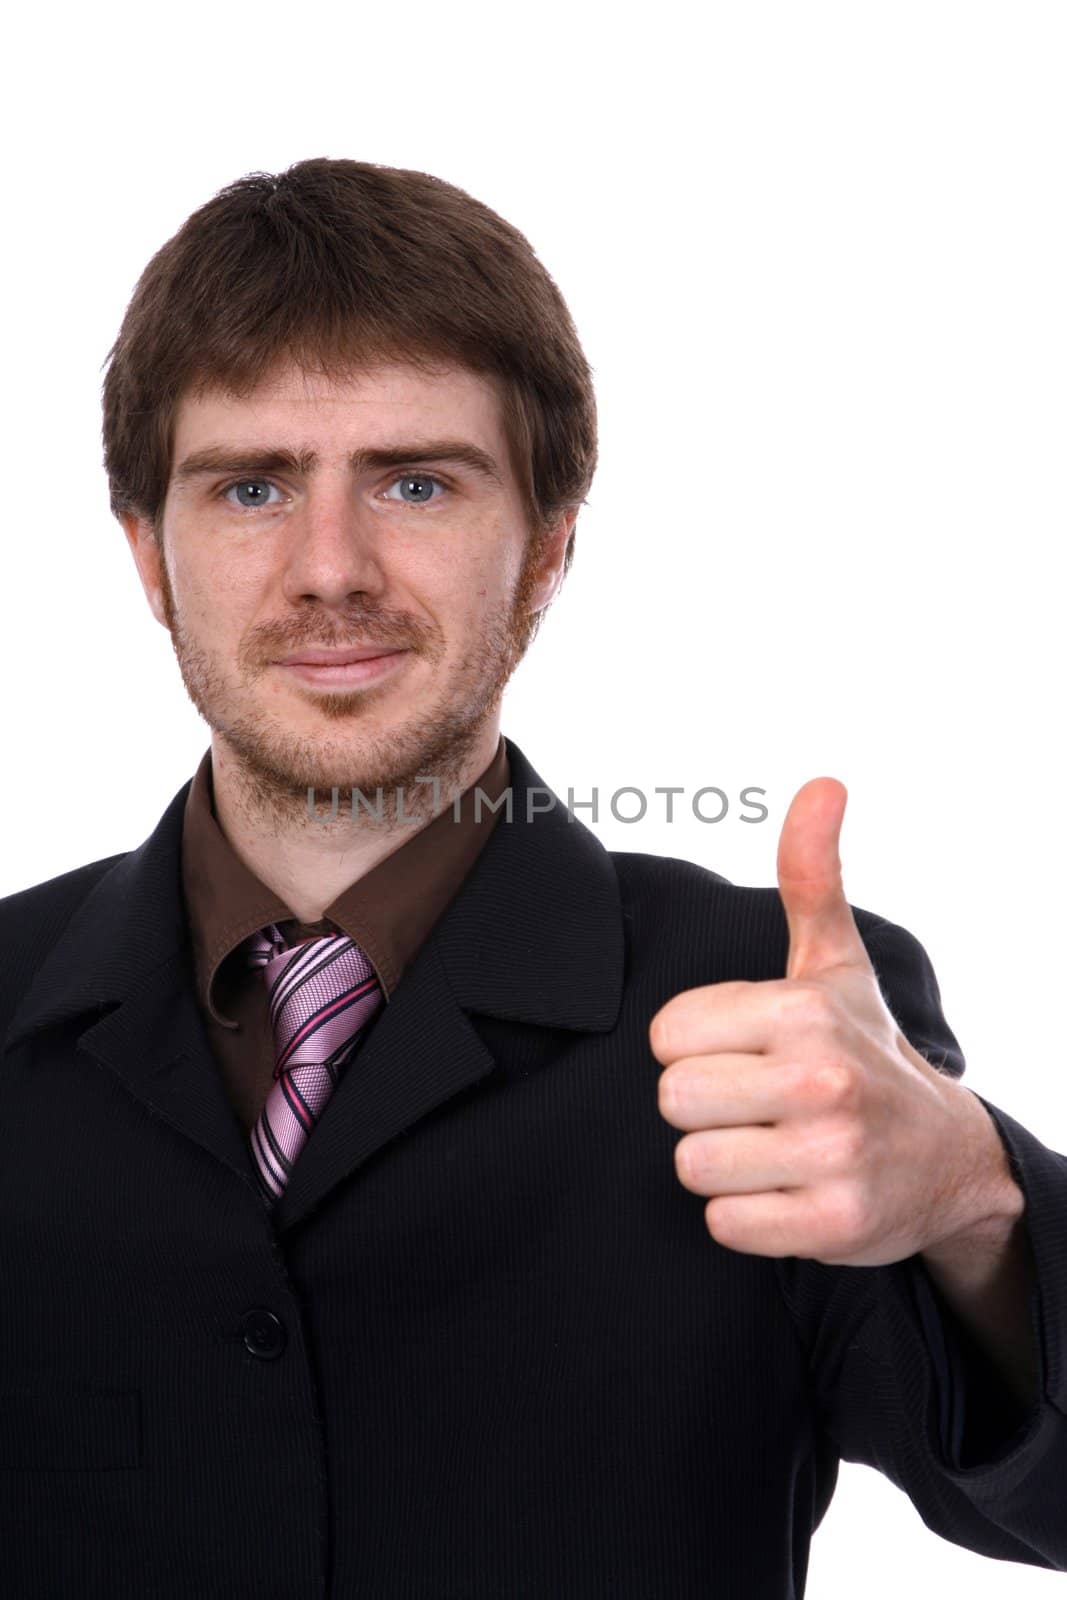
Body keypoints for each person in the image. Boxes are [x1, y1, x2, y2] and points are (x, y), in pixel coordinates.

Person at [0, 158, 1063, 1599]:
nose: (330, 569)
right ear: (148, 556)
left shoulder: (776, 1017)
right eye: (250, 487)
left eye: (416, 482)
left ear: (549, 548)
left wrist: (980, 1207)